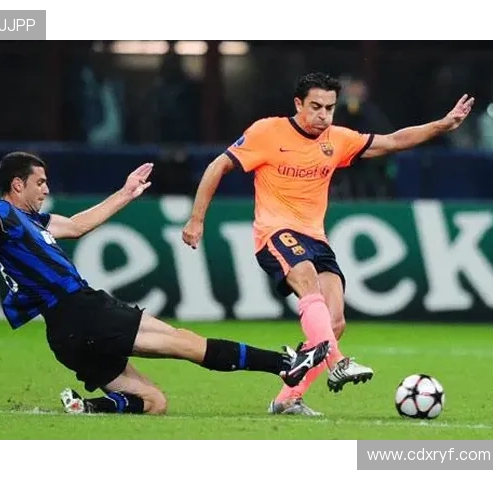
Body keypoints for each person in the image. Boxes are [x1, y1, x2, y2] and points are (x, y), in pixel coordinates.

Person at [0, 151, 330, 415]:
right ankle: (285, 365)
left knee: (153, 402)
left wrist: (125, 193)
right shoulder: (2, 213)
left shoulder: (34, 221)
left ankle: (87, 408)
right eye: (40, 182)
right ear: (18, 185)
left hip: (65, 336)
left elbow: (79, 225)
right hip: (83, 311)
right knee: (185, 343)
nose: (46, 189)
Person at [182, 72, 474, 416]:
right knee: (307, 280)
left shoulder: (337, 139)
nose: (323, 115)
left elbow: (393, 141)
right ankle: (338, 362)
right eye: (316, 107)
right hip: (275, 232)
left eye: (330, 108)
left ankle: (287, 399)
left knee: (334, 323)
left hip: (316, 238)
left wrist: (442, 125)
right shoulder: (267, 132)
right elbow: (218, 165)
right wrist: (196, 218)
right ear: (298, 104)